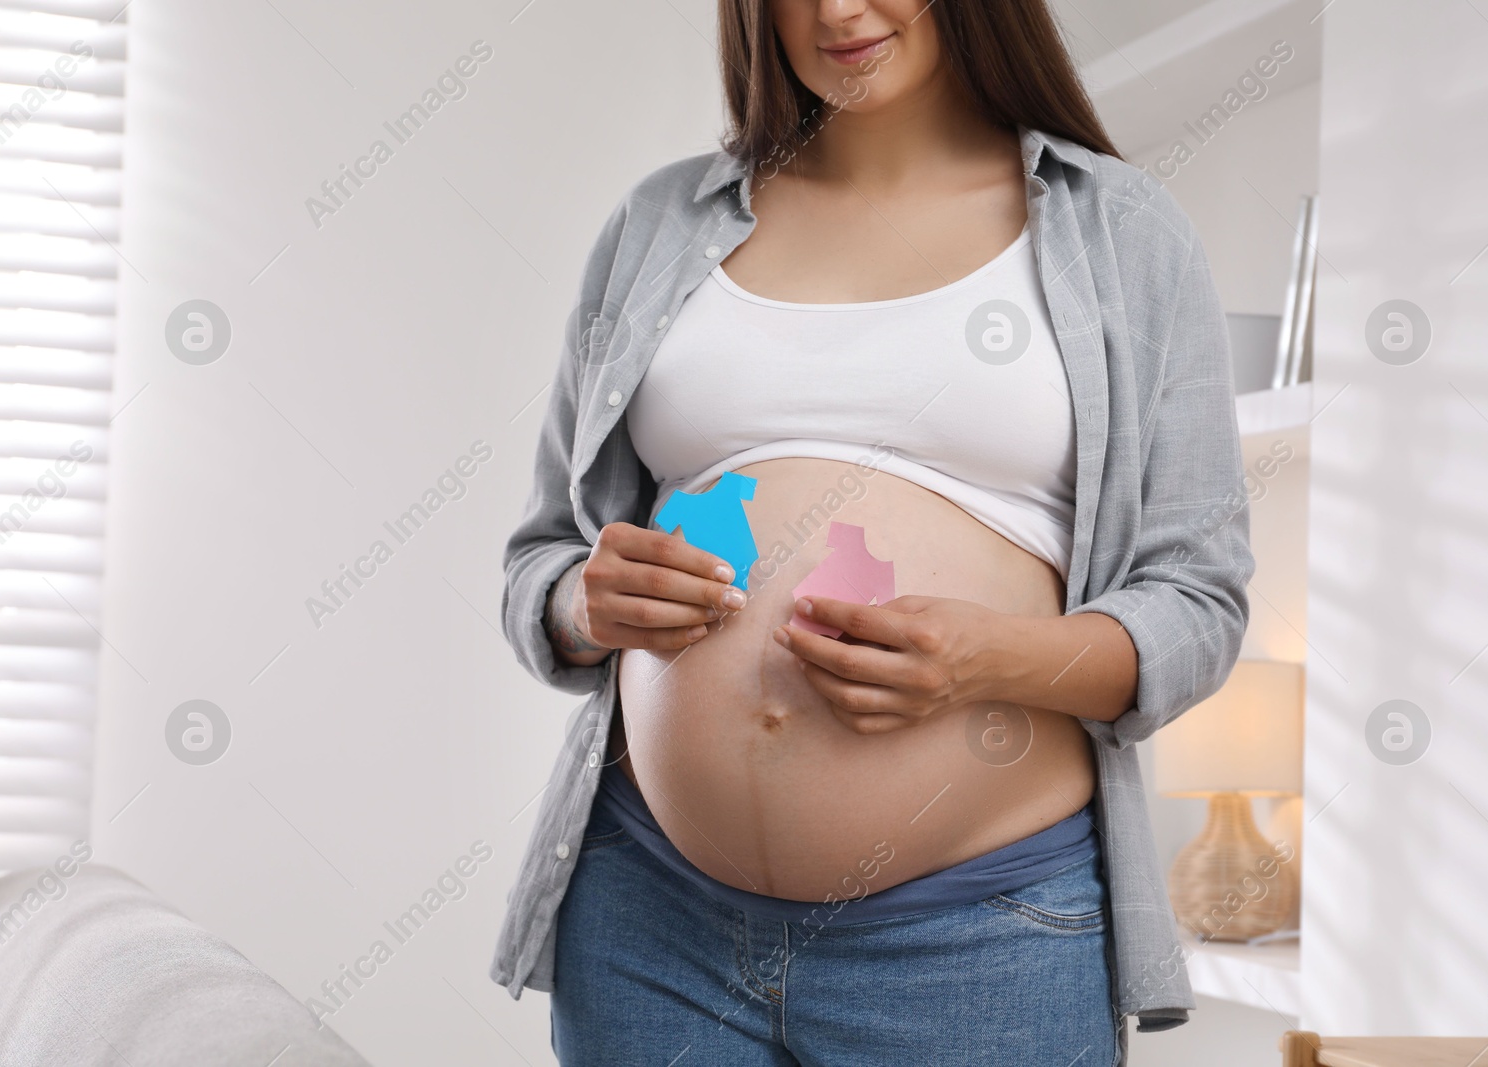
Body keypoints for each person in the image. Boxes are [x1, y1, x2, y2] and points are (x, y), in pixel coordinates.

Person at [491, 1, 1254, 1063]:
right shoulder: (656, 225)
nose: (836, 11)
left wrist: (986, 659)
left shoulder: (1120, 233)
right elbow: (542, 559)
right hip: (649, 921)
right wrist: (582, 602)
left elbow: (1197, 599)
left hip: (974, 936)